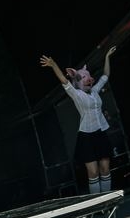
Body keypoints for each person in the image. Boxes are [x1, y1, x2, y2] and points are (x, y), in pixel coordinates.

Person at [40, 46, 117, 194]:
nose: (88, 80)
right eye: (84, 78)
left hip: (100, 133)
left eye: (88, 77)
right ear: (78, 80)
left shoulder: (95, 91)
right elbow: (64, 81)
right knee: (93, 173)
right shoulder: (76, 94)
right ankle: (98, 202)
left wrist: (107, 56)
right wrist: (53, 65)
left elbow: (106, 75)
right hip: (86, 136)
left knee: (105, 169)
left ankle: (108, 201)